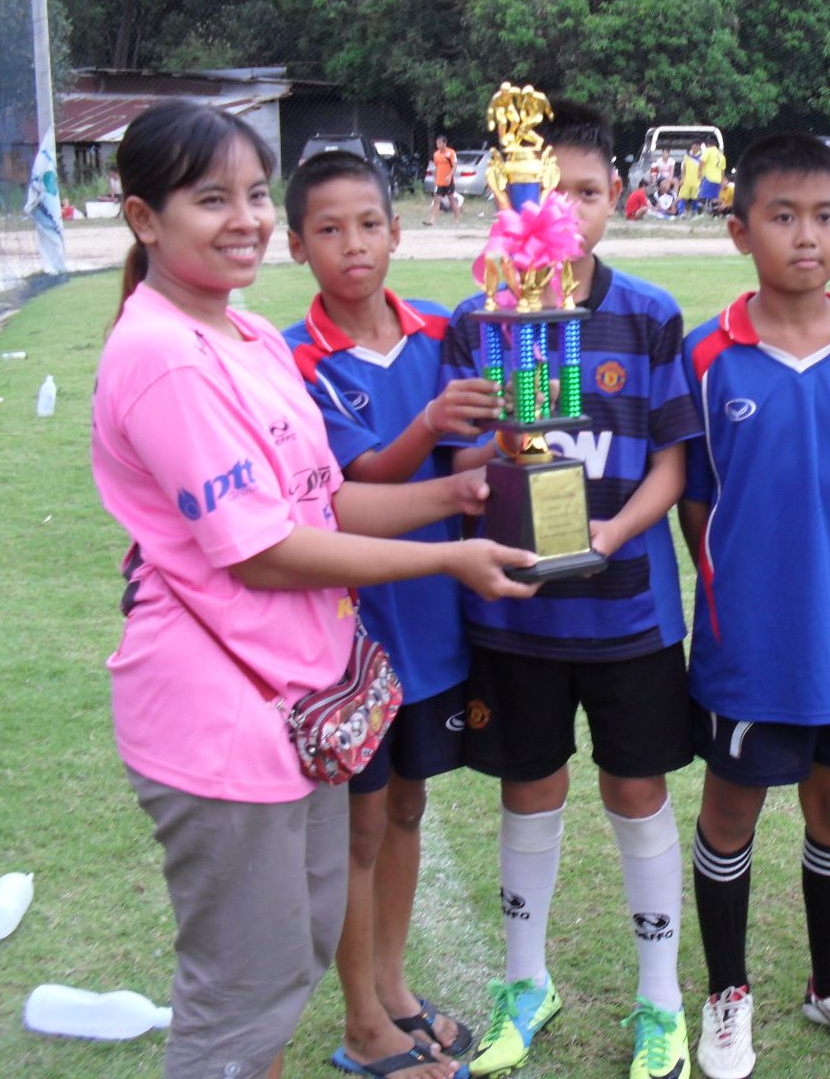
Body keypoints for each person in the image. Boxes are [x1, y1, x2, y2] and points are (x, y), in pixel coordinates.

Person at [91, 99, 539, 1079]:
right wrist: (449, 558)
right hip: (221, 722)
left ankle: (370, 1018)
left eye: (254, 194)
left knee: (288, 962)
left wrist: (462, 493)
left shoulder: (245, 336)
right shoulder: (164, 357)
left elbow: (326, 501)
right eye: (213, 199)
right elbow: (264, 552)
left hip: (297, 706)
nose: (245, 219)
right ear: (144, 219)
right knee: (242, 1002)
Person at [439, 101, 703, 1079]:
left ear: (614, 198)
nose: (565, 213)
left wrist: (613, 532)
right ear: (509, 202)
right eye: (544, 194)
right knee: (529, 787)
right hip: (516, 611)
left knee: (637, 791)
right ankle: (526, 984)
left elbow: (672, 463)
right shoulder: (478, 321)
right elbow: (461, 463)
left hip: (627, 609)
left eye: (585, 193)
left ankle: (660, 1003)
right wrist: (501, 447)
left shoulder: (649, 315)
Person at [680, 132, 830, 1079]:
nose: (807, 235)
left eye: (827, 215)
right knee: (731, 811)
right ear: (740, 230)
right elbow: (697, 501)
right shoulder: (708, 356)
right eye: (783, 216)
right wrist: (737, 586)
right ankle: (726, 994)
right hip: (747, 646)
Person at [282, 150, 509, 1078]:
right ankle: (361, 1020)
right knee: (360, 827)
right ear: (296, 246)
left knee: (408, 808)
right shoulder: (297, 360)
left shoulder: (443, 332)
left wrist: (513, 437)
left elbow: (474, 453)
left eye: (369, 224)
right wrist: (432, 429)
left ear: (398, 231)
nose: (353, 245)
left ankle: (392, 986)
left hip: (436, 622)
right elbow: (357, 487)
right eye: (329, 229)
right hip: (354, 639)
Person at [424, 136, 461, 226]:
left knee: (451, 200)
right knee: (437, 200)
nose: (437, 145)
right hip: (439, 182)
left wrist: (449, 176)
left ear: (444, 143)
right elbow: (436, 167)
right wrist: (435, 178)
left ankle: (457, 219)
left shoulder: (451, 152)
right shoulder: (436, 154)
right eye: (437, 143)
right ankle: (432, 221)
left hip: (449, 182)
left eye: (439, 143)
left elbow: (454, 166)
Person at [698, 140, 727, 214]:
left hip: (709, 177)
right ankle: (715, 215)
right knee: (714, 198)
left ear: (708, 145)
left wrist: (699, 172)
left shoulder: (708, 151)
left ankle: (699, 214)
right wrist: (722, 180)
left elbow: (702, 161)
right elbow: (723, 170)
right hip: (718, 179)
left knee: (702, 196)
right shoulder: (721, 155)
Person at [679, 141, 703, 216]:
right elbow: (683, 168)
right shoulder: (686, 156)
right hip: (686, 180)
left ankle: (694, 211)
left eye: (697, 146)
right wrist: (682, 178)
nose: (695, 148)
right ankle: (681, 212)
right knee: (683, 196)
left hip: (697, 181)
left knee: (695, 197)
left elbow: (703, 169)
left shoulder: (702, 157)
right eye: (694, 146)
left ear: (699, 147)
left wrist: (701, 180)